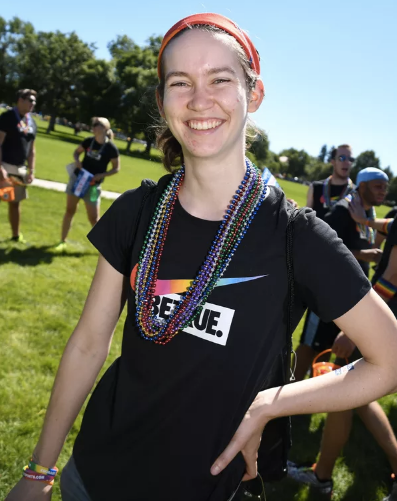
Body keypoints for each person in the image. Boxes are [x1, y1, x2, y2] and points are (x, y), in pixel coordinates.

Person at [6, 14, 397, 501]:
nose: (198, 100)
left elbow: (389, 358)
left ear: (253, 95)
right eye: (180, 82)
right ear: (162, 99)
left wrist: (268, 406)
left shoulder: (297, 236)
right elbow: (89, 343)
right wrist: (40, 471)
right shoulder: (137, 210)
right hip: (95, 475)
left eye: (219, 79)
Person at [288, 170, 397, 500]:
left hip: (388, 324)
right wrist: (362, 219)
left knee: (347, 389)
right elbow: (389, 229)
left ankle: (321, 476)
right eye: (378, 185)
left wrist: (359, 327)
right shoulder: (377, 216)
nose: (385, 190)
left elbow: (392, 277)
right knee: (356, 394)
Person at [294, 165, 385, 381]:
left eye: (385, 187)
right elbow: (321, 248)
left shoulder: (366, 212)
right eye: (378, 186)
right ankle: (285, 393)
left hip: (349, 296)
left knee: (330, 347)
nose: (383, 191)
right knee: (310, 344)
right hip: (326, 292)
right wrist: (365, 255)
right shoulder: (343, 210)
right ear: (362, 186)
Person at [294, 145, 356, 380]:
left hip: (344, 279)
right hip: (316, 275)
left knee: (331, 343)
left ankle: (316, 391)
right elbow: (306, 223)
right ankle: (292, 388)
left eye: (350, 158)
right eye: (342, 157)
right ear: (332, 161)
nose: (346, 162)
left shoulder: (356, 193)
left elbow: (366, 235)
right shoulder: (318, 187)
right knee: (309, 341)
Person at [55, 117, 120, 251]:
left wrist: (101, 175)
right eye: (94, 124)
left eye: (98, 124)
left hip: (93, 185)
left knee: (94, 218)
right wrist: (77, 160)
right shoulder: (88, 141)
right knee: (70, 210)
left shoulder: (111, 148)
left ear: (105, 129)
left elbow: (116, 168)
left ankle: (106, 249)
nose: (94, 126)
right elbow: (76, 152)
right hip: (78, 180)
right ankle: (62, 241)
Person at [0, 88, 37, 243]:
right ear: (20, 100)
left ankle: (15, 236)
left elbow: (32, 149)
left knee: (15, 203)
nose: (33, 104)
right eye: (30, 100)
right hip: (5, 168)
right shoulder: (7, 117)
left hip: (19, 170)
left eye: (34, 101)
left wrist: (31, 170)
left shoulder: (32, 123)